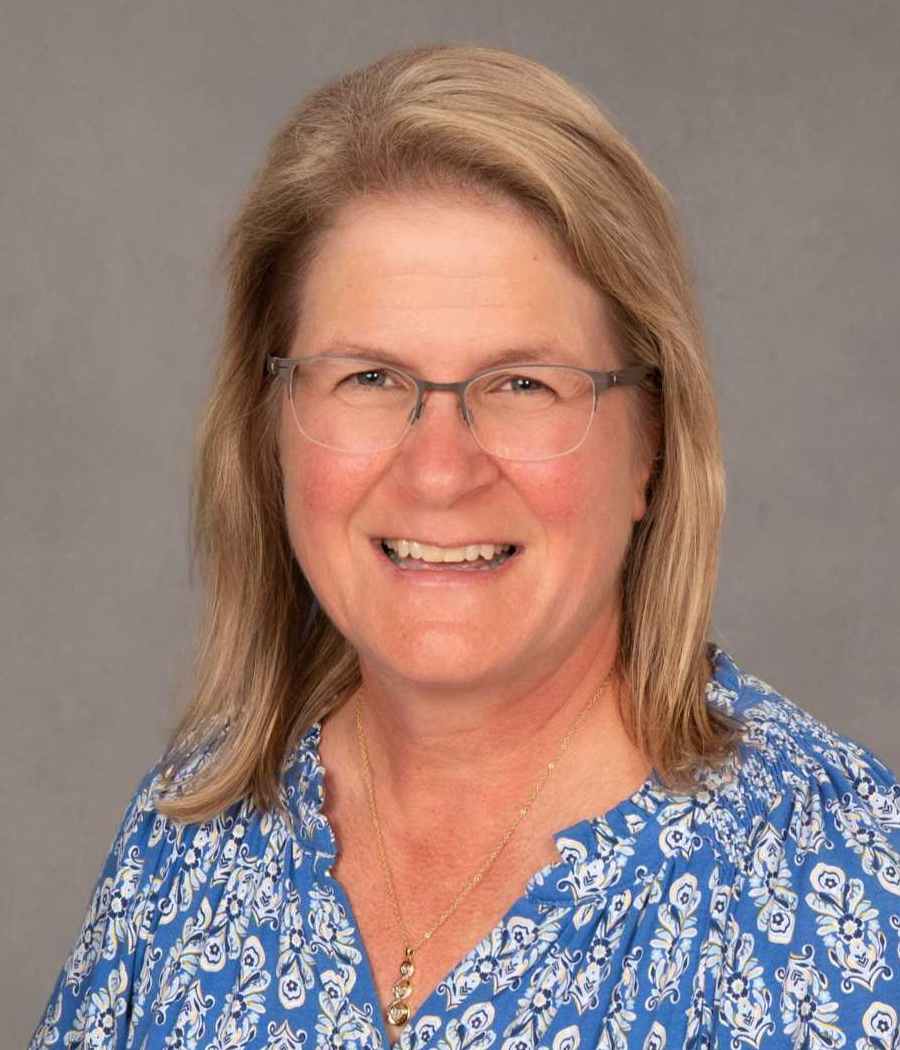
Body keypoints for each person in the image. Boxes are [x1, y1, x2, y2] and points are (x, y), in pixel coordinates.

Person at [29, 42, 900, 1050]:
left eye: (522, 383)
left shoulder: (837, 889)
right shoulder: (191, 834)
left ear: (652, 442)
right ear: (269, 422)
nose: (439, 470)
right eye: (369, 378)